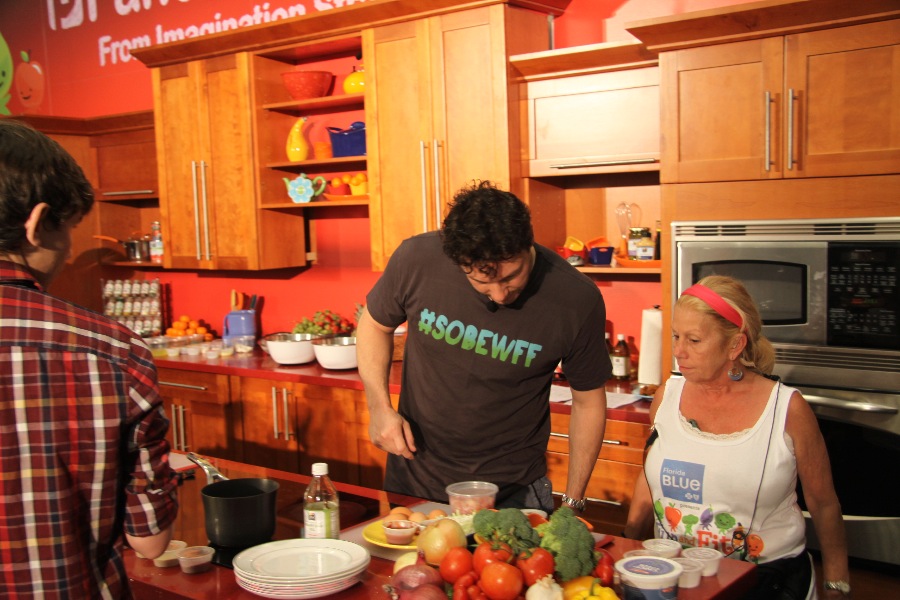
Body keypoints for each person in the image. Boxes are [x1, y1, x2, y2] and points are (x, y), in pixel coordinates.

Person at [0, 120, 178, 598]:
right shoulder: (112, 350)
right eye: (70, 228)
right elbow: (151, 542)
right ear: (37, 224)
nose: (69, 248)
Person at [357, 180, 611, 513]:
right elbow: (375, 324)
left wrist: (574, 502)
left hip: (514, 492)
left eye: (511, 276)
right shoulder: (417, 259)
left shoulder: (576, 299)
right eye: (482, 282)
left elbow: (588, 402)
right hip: (416, 478)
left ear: (528, 243)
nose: (500, 295)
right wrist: (378, 408)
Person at [623, 275, 850, 599]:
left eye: (694, 340)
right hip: (678, 576)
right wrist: (629, 542)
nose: (678, 351)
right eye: (676, 336)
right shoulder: (666, 397)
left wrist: (837, 583)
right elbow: (650, 478)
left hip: (767, 581)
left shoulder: (786, 409)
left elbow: (824, 503)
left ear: (735, 345)